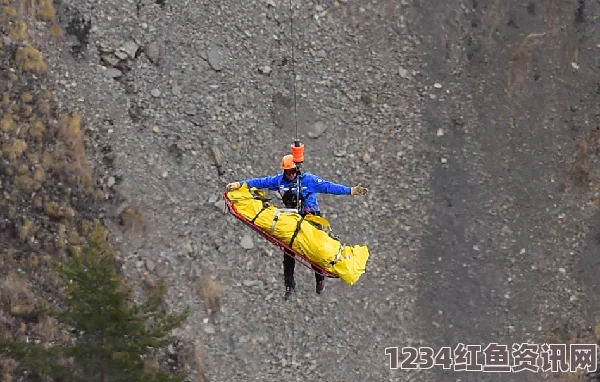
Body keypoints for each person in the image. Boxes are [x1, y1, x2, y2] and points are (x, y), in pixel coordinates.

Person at [226, 154, 368, 300]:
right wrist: (239, 184)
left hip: (311, 216)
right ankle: (289, 284)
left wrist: (350, 190)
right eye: (288, 172)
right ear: (284, 171)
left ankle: (319, 279)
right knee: (288, 252)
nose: (291, 174)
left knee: (316, 249)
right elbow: (260, 182)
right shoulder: (279, 181)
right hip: (293, 219)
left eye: (293, 171)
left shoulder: (308, 180)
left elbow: (328, 186)